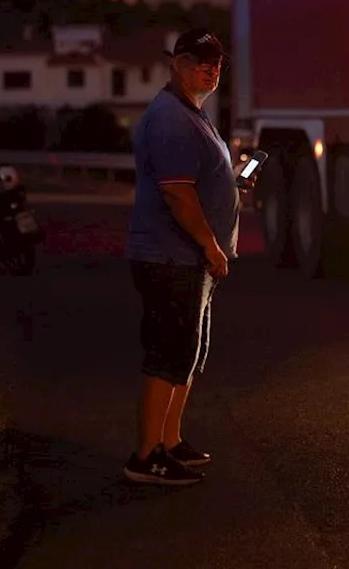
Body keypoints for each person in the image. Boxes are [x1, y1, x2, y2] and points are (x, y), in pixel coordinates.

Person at [122, 27, 249, 486]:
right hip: (171, 256)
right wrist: (212, 246)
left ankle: (169, 442)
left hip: (188, 259)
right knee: (169, 352)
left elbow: (198, 181)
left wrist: (231, 185)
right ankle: (145, 455)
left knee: (187, 354)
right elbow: (176, 194)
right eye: (199, 60)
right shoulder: (173, 118)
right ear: (175, 63)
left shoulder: (192, 112)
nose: (210, 68)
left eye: (216, 62)